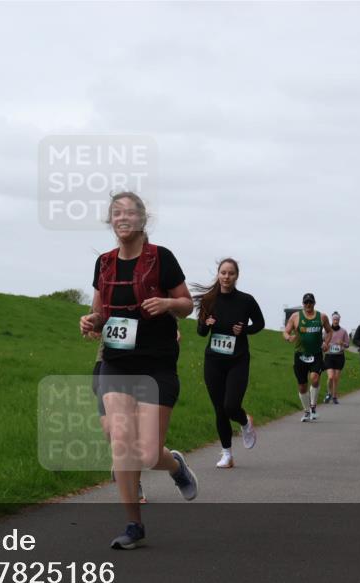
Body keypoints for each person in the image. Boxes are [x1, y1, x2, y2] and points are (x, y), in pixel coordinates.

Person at [79, 192, 198, 550]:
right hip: (117, 362)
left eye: (130, 212)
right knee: (120, 437)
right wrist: (90, 321)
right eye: (116, 213)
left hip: (157, 363)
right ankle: (133, 524)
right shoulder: (104, 263)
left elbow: (187, 305)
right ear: (110, 221)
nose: (122, 218)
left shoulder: (161, 258)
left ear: (143, 220)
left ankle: (174, 465)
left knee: (147, 452)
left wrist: (167, 303)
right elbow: (100, 314)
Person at [194, 258, 264, 468]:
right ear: (218, 274)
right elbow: (200, 332)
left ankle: (245, 422)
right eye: (223, 272)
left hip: (238, 360)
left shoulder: (246, 300)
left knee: (231, 406)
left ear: (236, 276)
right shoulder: (208, 300)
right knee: (219, 409)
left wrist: (244, 330)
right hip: (214, 361)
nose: (226, 277)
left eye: (230, 273)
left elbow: (259, 324)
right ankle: (227, 454)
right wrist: (206, 323)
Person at [92, 338, 147, 503]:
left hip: (141, 362)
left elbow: (172, 321)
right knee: (110, 430)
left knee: (131, 430)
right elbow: (96, 319)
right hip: (107, 361)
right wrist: (89, 323)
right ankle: (121, 456)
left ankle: (135, 483)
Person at [282, 293, 331, 422]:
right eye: (306, 303)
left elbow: (329, 331)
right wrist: (288, 337)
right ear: (303, 304)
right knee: (302, 386)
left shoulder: (322, 317)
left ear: (314, 303)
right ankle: (306, 411)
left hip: (316, 354)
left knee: (314, 378)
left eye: (310, 302)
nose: (308, 305)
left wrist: (326, 342)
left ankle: (313, 407)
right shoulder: (295, 317)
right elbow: (286, 331)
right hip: (300, 354)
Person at [322, 311, 350, 404]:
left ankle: (334, 396)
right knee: (330, 377)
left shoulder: (343, 331)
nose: (336, 321)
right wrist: (325, 345)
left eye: (337, 319)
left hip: (339, 356)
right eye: (334, 319)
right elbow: (322, 342)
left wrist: (342, 343)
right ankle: (328, 393)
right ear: (332, 320)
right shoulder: (326, 331)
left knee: (336, 378)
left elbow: (347, 345)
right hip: (329, 356)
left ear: (339, 320)